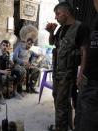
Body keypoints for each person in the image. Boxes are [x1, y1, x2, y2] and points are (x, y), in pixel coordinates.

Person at [45, 2, 89, 131]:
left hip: (68, 75)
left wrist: (81, 75)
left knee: (61, 105)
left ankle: (61, 127)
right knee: (59, 102)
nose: (56, 17)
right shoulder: (61, 28)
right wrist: (51, 32)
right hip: (57, 73)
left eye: (58, 14)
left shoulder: (80, 27)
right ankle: (66, 125)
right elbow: (52, 43)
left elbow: (85, 52)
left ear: (66, 12)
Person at [74, 0, 98, 131]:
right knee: (80, 118)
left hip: (94, 85)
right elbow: (85, 51)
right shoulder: (91, 21)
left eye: (58, 13)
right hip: (85, 81)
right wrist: (81, 73)